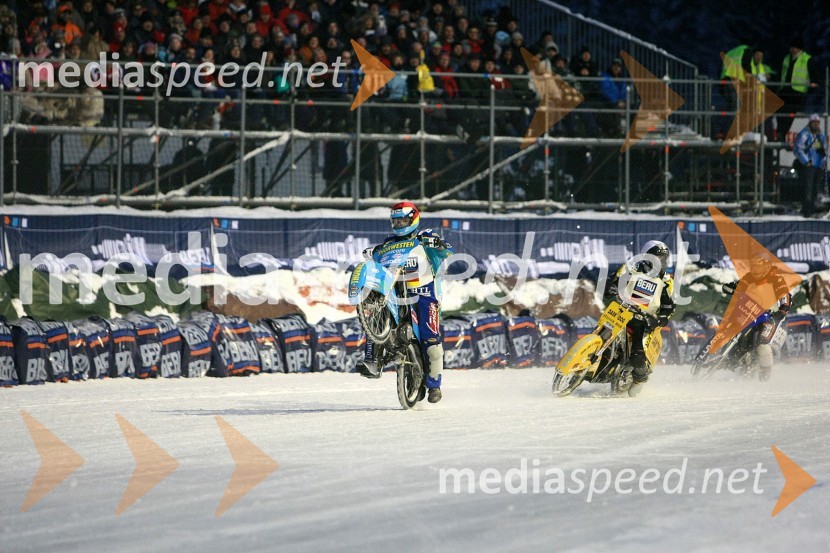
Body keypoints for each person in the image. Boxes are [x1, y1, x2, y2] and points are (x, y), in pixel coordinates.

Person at [359, 202, 454, 404]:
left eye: (403, 220)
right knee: (376, 311)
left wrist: (438, 244)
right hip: (394, 292)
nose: (399, 224)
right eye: (396, 220)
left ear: (413, 219)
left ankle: (435, 385)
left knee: (431, 339)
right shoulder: (386, 245)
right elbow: (374, 261)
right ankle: (372, 360)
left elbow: (446, 250)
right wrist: (370, 254)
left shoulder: (424, 238)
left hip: (424, 292)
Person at [604, 240, 676, 396]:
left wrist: (663, 317)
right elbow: (613, 281)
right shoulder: (631, 268)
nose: (661, 262)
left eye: (664, 259)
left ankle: (640, 376)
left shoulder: (666, 281)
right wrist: (611, 287)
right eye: (658, 258)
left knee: (638, 351)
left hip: (643, 319)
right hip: (621, 310)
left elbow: (669, 305)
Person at [721, 256, 792, 376]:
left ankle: (765, 372)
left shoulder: (776, 279)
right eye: (753, 267)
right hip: (749, 314)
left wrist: (782, 310)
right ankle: (728, 358)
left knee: (762, 344)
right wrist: (731, 287)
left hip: (771, 317)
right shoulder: (749, 277)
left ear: (766, 268)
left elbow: (785, 296)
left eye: (758, 268)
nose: (755, 270)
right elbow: (738, 286)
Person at [778, 37, 818, 139]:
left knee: (792, 115)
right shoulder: (786, 58)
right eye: (792, 47)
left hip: (797, 92)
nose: (793, 50)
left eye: (796, 48)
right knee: (782, 114)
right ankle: (780, 134)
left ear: (800, 49)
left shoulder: (807, 59)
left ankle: (785, 135)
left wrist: (812, 86)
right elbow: (781, 73)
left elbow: (814, 75)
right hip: (785, 91)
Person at [793, 113, 827, 217]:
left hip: (818, 165)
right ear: (810, 123)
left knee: (815, 189)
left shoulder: (821, 135)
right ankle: (807, 211)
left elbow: (826, 148)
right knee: (808, 188)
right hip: (809, 165)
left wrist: (824, 158)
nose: (816, 125)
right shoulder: (804, 134)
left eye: (817, 123)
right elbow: (797, 149)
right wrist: (806, 161)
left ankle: (812, 208)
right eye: (814, 122)